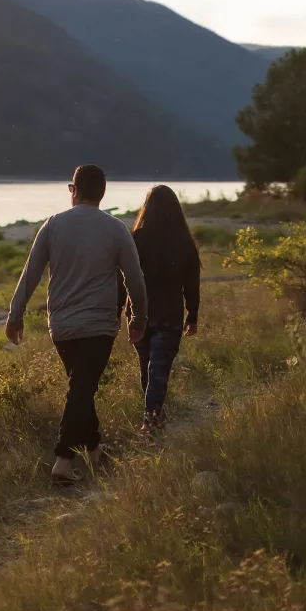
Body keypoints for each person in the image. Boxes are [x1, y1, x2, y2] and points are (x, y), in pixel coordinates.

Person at [5, 165, 147, 486]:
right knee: (81, 388)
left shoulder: (53, 226)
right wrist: (138, 316)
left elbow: (30, 275)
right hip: (99, 325)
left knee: (81, 386)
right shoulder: (115, 229)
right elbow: (134, 278)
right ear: (102, 193)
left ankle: (95, 450)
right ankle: (62, 462)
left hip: (63, 327)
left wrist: (15, 316)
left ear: (74, 190)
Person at [127, 185, 201, 434]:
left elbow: (123, 279)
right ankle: (153, 420)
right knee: (158, 370)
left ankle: (153, 418)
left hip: (139, 315)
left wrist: (118, 311)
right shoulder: (184, 242)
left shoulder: (135, 240)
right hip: (170, 315)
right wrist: (192, 315)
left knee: (146, 366)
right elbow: (191, 284)